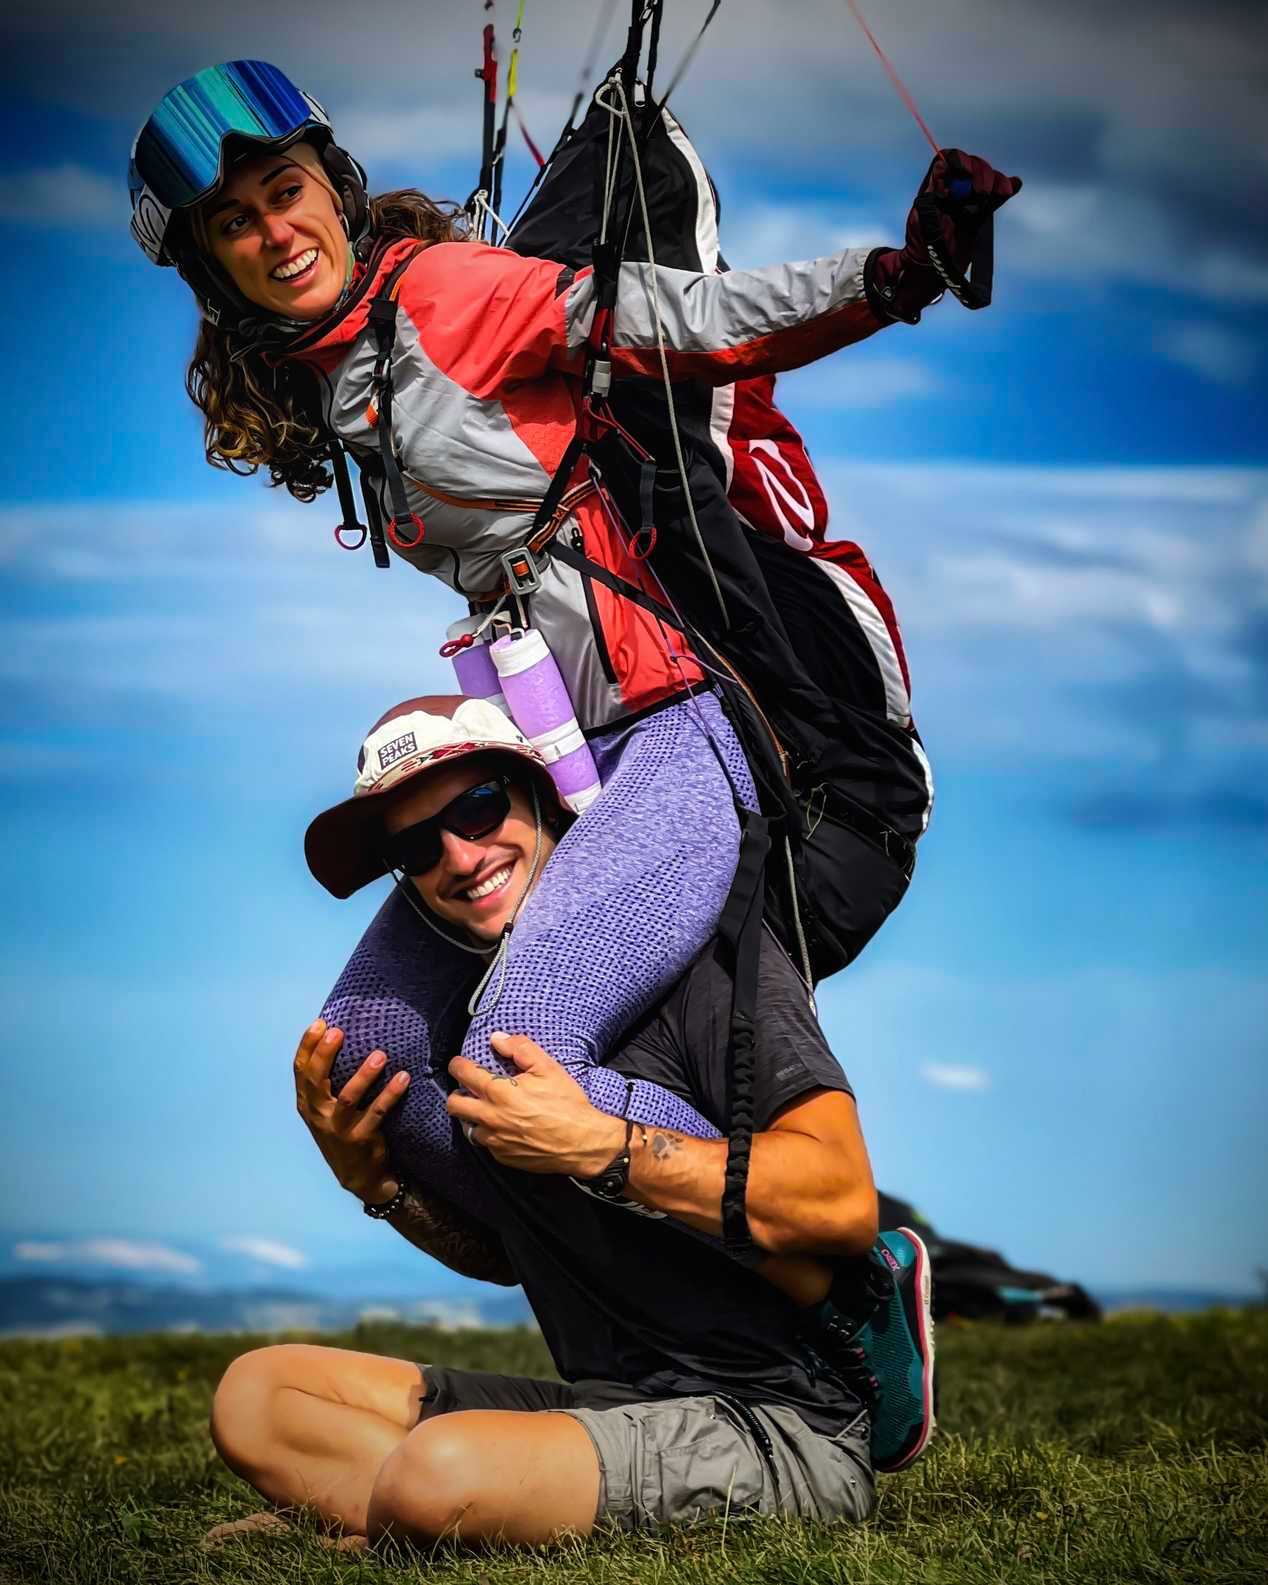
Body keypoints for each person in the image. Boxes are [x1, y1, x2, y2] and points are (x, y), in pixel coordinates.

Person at [128, 61, 1020, 1197]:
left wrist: (892, 278)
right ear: (210, 266)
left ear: (334, 184)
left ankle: (826, 1254)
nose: (276, 230)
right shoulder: (331, 374)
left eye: (285, 189)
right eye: (235, 223)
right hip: (565, 745)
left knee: (521, 1045)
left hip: (671, 728)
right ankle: (594, 1288)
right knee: (371, 1053)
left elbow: (688, 320)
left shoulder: (449, 293)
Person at [208, 697, 934, 1548]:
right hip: (605, 1405)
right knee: (256, 1399)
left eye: (478, 809)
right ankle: (419, 1512)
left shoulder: (714, 966)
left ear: (545, 797)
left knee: (438, 1471)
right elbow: (509, 1258)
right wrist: (379, 1183)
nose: (459, 856)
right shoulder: (470, 1030)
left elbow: (842, 1201)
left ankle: (407, 1513)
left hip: (780, 1421)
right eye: (417, 846)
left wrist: (605, 1144)